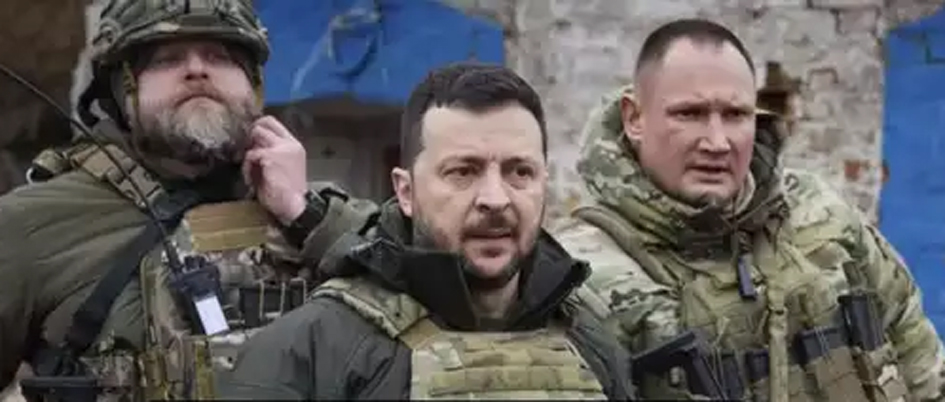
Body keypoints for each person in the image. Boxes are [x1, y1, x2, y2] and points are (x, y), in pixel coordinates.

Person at [551, 18, 945, 401]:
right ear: (634, 118)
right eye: (689, 114)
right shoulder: (578, 278)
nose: (717, 142)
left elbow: (920, 362)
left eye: (736, 115)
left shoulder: (822, 215)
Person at [0, 0, 376, 400]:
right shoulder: (33, 222)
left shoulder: (318, 213)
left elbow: (415, 320)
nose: (197, 69)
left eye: (220, 56)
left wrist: (306, 215)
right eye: (167, 59)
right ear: (120, 89)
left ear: (254, 84)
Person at [218, 62, 636, 400]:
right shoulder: (311, 351)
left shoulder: (593, 344)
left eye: (519, 172)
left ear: (545, 182)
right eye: (463, 172)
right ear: (406, 192)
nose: (495, 199)